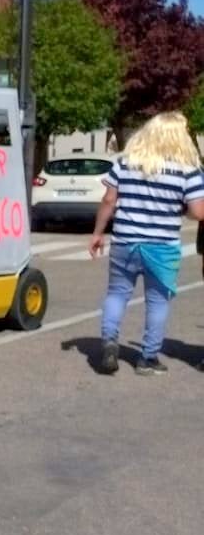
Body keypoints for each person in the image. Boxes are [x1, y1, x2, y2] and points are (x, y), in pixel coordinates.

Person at [89, 111, 204, 375]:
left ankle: (108, 342)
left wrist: (97, 232)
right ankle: (148, 358)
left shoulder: (125, 162)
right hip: (162, 245)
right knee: (157, 301)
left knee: (117, 293)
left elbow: (109, 200)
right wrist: (178, 209)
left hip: (125, 241)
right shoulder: (187, 170)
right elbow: (198, 212)